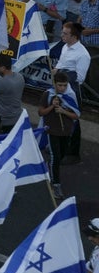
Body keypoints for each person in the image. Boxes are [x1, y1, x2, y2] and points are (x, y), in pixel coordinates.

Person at [38, 69, 80, 201]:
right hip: (52, 130)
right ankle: (56, 184)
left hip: (66, 131)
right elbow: (40, 112)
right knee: (56, 157)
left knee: (60, 155)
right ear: (54, 84)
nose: (62, 88)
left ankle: (51, 165)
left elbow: (76, 115)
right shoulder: (48, 95)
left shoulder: (71, 95)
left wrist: (63, 111)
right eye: (60, 85)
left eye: (65, 85)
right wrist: (52, 106)